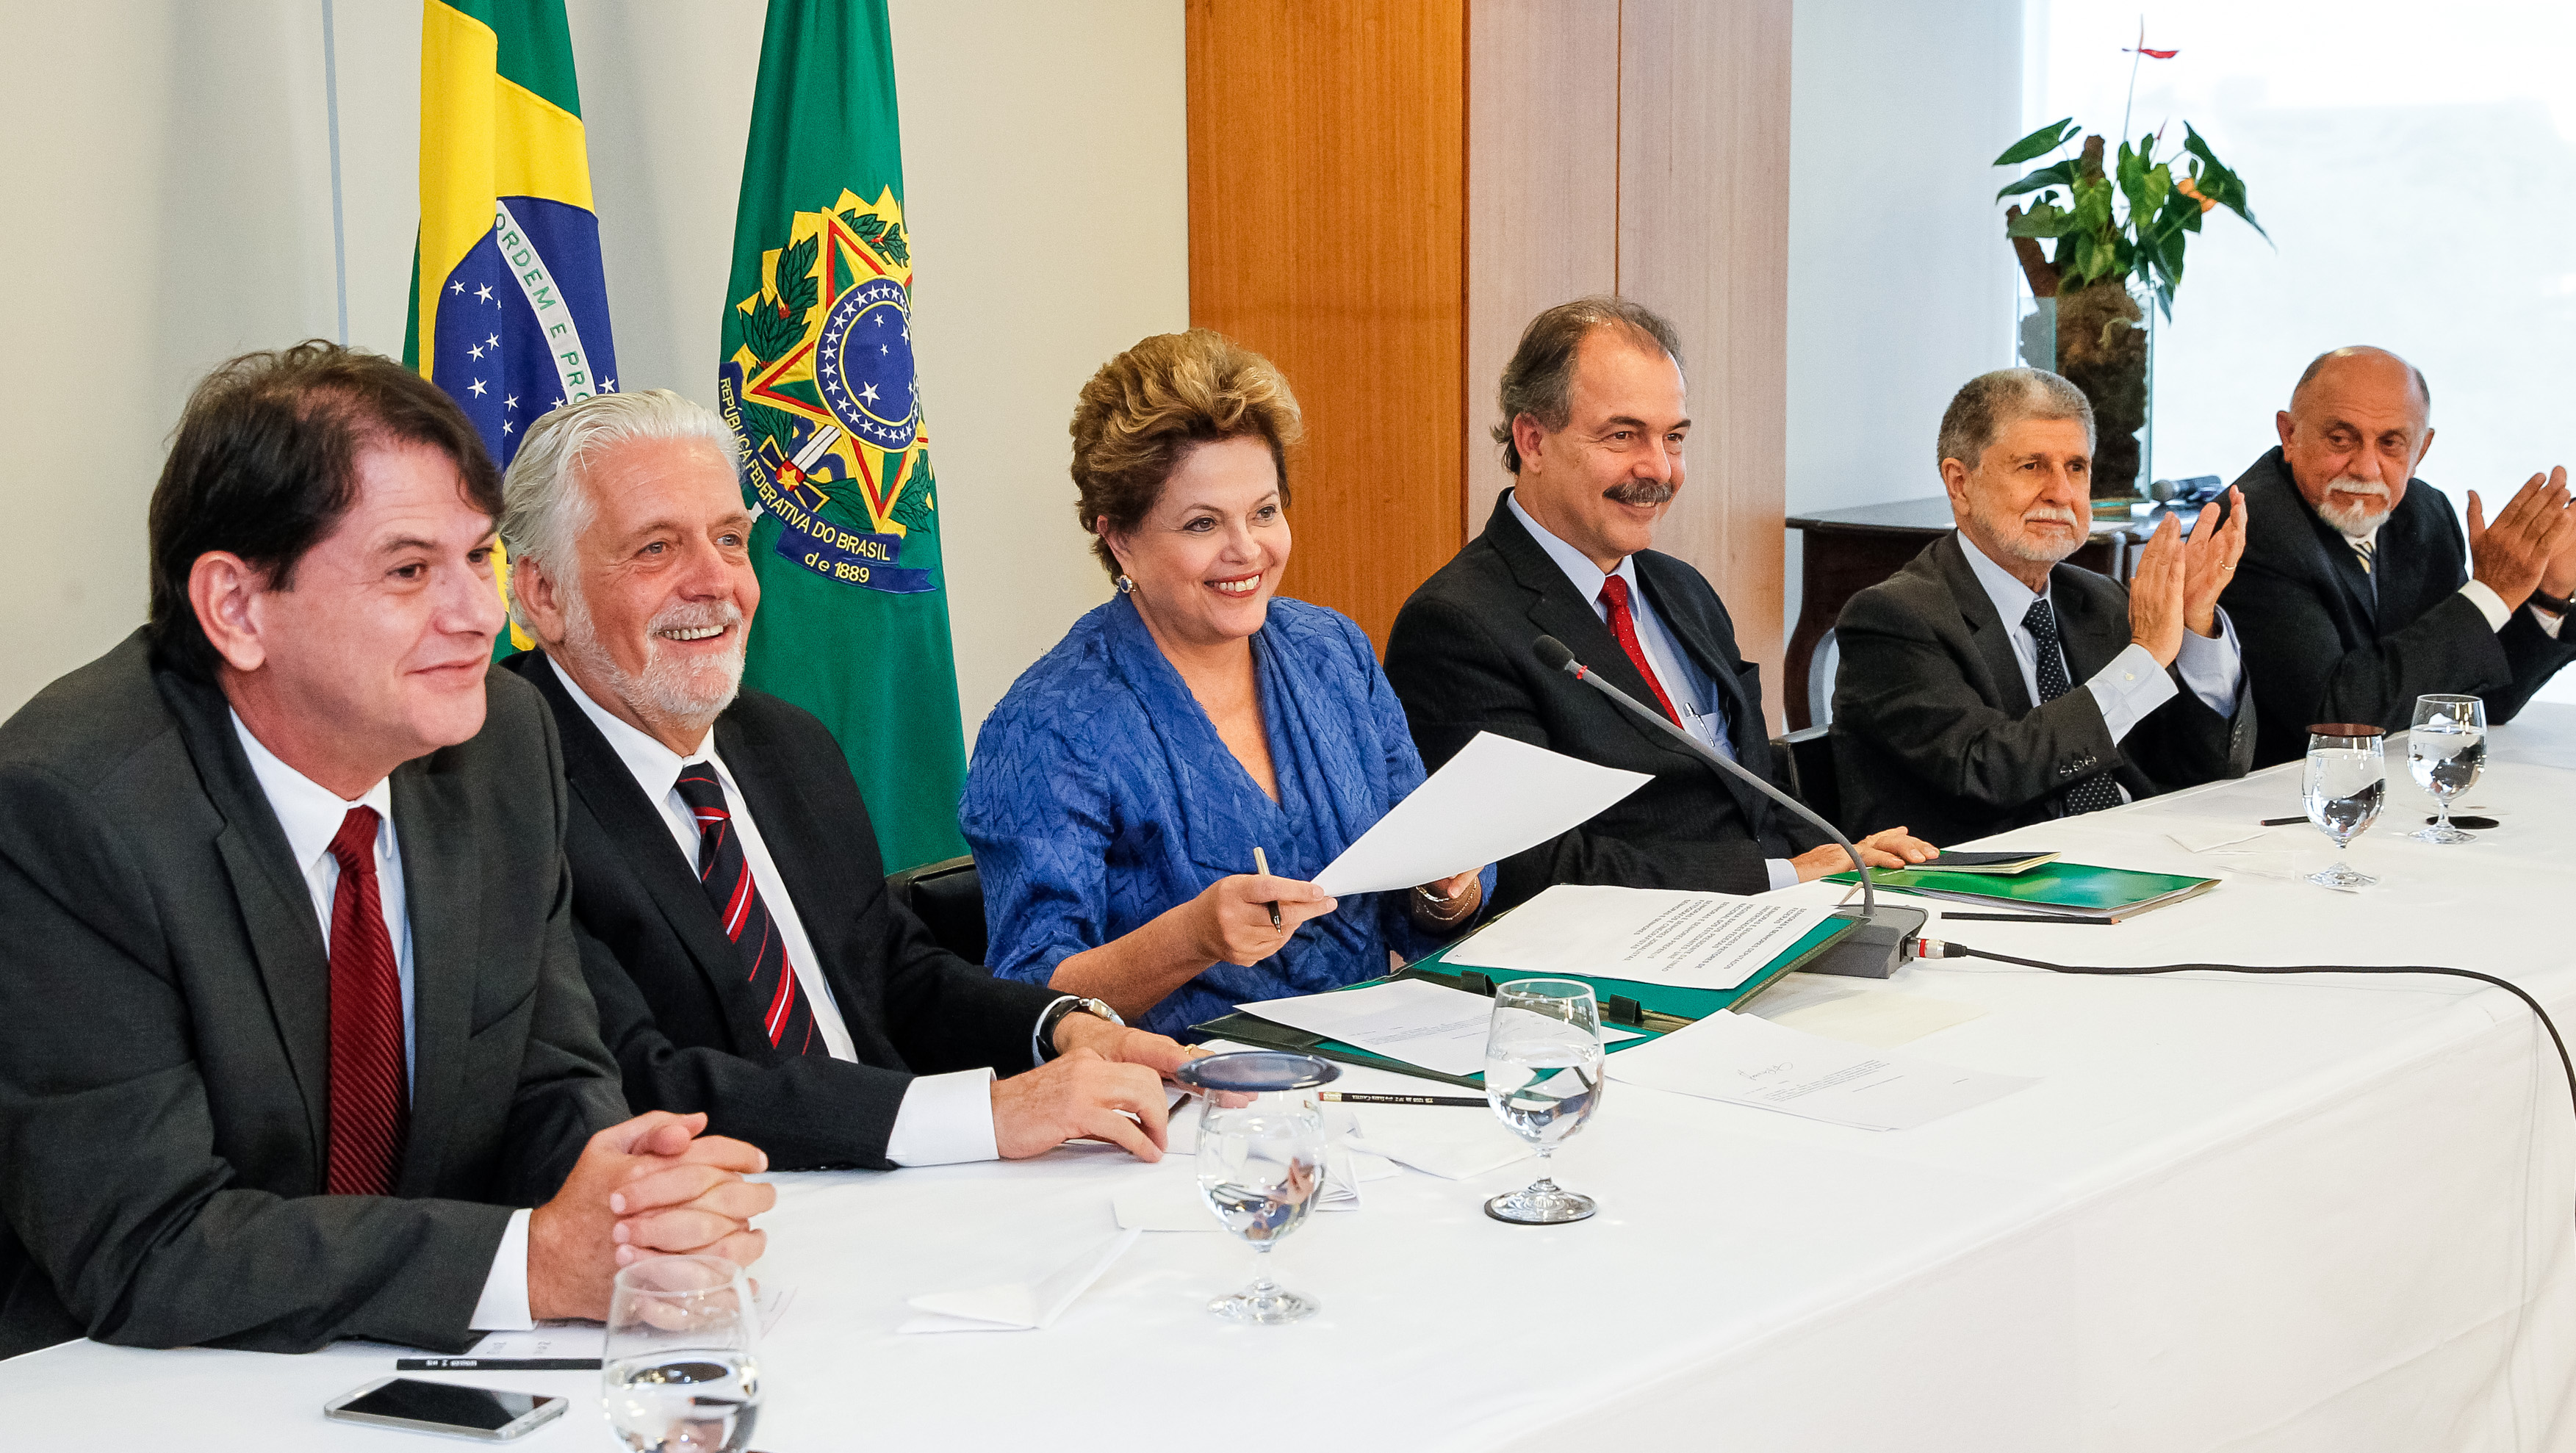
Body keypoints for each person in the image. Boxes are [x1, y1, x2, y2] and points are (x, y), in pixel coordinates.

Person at [0, 343, 770, 1360]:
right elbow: (148, 1244)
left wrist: (626, 1192)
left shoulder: (500, 741)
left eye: (479, 556)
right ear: (236, 606)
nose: (479, 615)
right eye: (410, 569)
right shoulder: (70, 810)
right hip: (130, 1386)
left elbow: (546, 1078)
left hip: (410, 1358)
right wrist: (534, 1261)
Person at [496, 390, 1198, 1170]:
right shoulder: (502, 793)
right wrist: (979, 1112)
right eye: (655, 548)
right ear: (542, 595)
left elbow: (892, 973)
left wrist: (1061, 1026)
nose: (713, 580)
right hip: (719, 1222)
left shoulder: (783, 743)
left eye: (730, 539)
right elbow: (638, 1078)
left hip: (901, 1198)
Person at [960, 331, 1492, 1039]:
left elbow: (1413, 902)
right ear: (1118, 538)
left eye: (1265, 512)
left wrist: (1444, 889)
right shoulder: (1049, 725)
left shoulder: (1333, 652)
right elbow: (1030, 995)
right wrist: (1192, 940)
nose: (1248, 551)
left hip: (1375, 1063)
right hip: (1182, 1105)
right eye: (1203, 523)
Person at [1384, 297, 1935, 912]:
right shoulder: (1457, 624)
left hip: (1787, 918)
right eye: (1623, 436)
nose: (1660, 470)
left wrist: (1853, 859)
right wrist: (1781, 876)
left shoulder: (1683, 590)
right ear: (1533, 441)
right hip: (1619, 966)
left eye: (1673, 438)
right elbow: (1530, 868)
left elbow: (1752, 791)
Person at [1831, 368, 2255, 845]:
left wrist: (2193, 625)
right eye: (2031, 466)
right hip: (1985, 890)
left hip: (2133, 855)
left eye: (2076, 467)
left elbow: (2216, 768)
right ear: (1960, 483)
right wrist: (2146, 658)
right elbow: (1987, 772)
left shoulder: (2100, 601)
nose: (2060, 492)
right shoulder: (1893, 619)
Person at [2217, 346, 2576, 766]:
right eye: (2341, 439)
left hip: (2393, 786)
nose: (2366, 469)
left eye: (2391, 444)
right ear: (2290, 435)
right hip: (2269, 802)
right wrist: (2492, 593)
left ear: (2420, 451)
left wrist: (2545, 595)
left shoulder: (2426, 512)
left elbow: (2478, 697)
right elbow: (2337, 722)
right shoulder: (2248, 526)